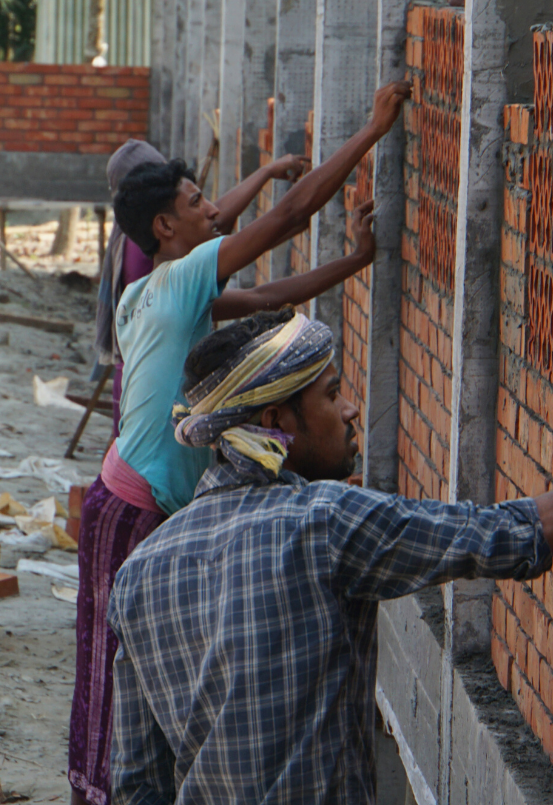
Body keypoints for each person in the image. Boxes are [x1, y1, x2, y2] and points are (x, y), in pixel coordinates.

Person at [106, 309, 553, 804]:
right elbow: (512, 535)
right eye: (331, 394)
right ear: (277, 421)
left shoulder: (139, 574)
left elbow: (137, 783)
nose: (351, 408)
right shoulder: (323, 522)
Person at [68, 80, 410, 805]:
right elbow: (289, 214)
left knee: (116, 682)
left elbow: (262, 301)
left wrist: (356, 262)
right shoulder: (183, 276)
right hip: (137, 509)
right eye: (199, 204)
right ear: (166, 224)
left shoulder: (153, 289)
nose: (215, 209)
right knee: (126, 693)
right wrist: (373, 130)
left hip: (118, 498)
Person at [93, 139, 310, 435]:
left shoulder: (142, 248)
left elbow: (250, 282)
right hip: (158, 401)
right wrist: (269, 178)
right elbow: (226, 222)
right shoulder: (165, 266)